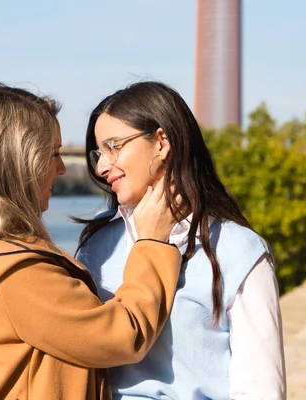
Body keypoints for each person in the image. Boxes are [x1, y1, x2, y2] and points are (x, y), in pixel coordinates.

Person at [0, 82, 185, 400]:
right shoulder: (17, 274)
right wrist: (153, 243)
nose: (61, 169)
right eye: (53, 154)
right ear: (22, 163)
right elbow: (123, 337)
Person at [76, 81, 286, 400]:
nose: (102, 166)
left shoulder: (237, 249)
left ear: (161, 142)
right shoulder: (97, 245)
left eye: (113, 146)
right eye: (98, 152)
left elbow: (261, 389)